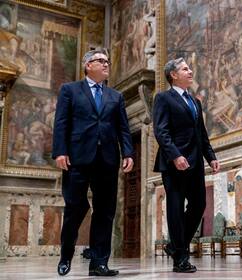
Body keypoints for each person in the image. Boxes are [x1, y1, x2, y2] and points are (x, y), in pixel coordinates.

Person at [52, 49, 134, 277]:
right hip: (77, 158)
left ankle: (99, 263)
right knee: (75, 207)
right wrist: (60, 151)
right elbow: (61, 123)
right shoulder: (69, 90)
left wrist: (128, 152)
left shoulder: (115, 96)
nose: (107, 64)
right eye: (101, 61)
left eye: (108, 61)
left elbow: (123, 129)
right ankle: (66, 255)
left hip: (107, 159)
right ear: (88, 65)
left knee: (105, 211)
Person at [153, 58, 220, 273]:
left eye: (189, 68)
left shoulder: (195, 101)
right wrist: (175, 155)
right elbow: (161, 131)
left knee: (199, 204)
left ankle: (174, 245)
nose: (190, 71)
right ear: (173, 74)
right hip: (174, 164)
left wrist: (211, 156)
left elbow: (201, 133)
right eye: (185, 69)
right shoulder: (163, 98)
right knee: (175, 208)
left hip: (195, 162)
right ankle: (180, 258)